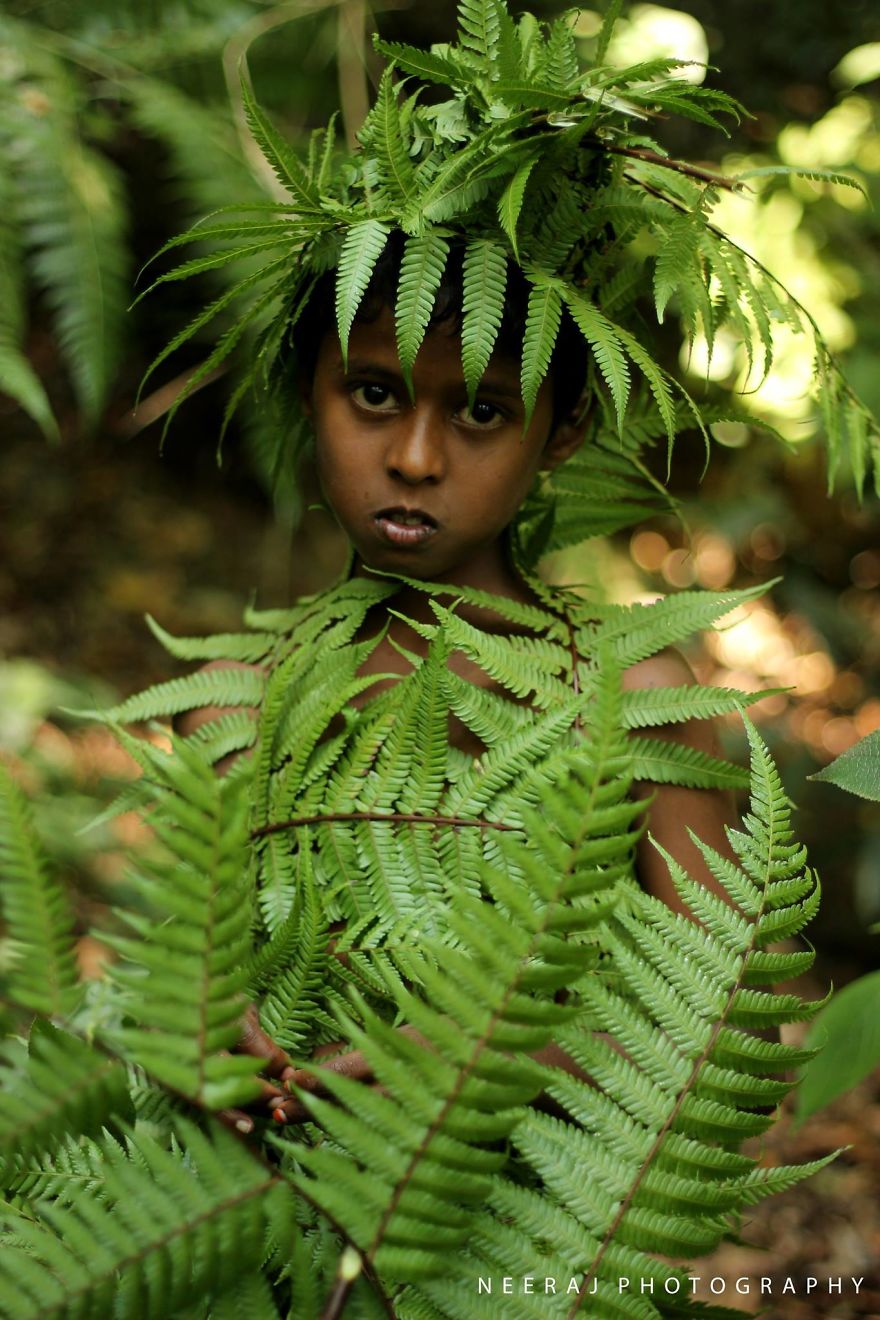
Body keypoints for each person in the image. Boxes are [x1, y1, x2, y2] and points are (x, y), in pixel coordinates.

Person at [174, 236, 745, 1130]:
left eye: (480, 410)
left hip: (548, 1252)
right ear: (305, 391)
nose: (413, 458)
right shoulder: (231, 707)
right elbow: (171, 986)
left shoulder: (630, 699)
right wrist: (194, 1029)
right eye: (372, 393)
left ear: (566, 430)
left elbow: (731, 1024)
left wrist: (497, 1060)